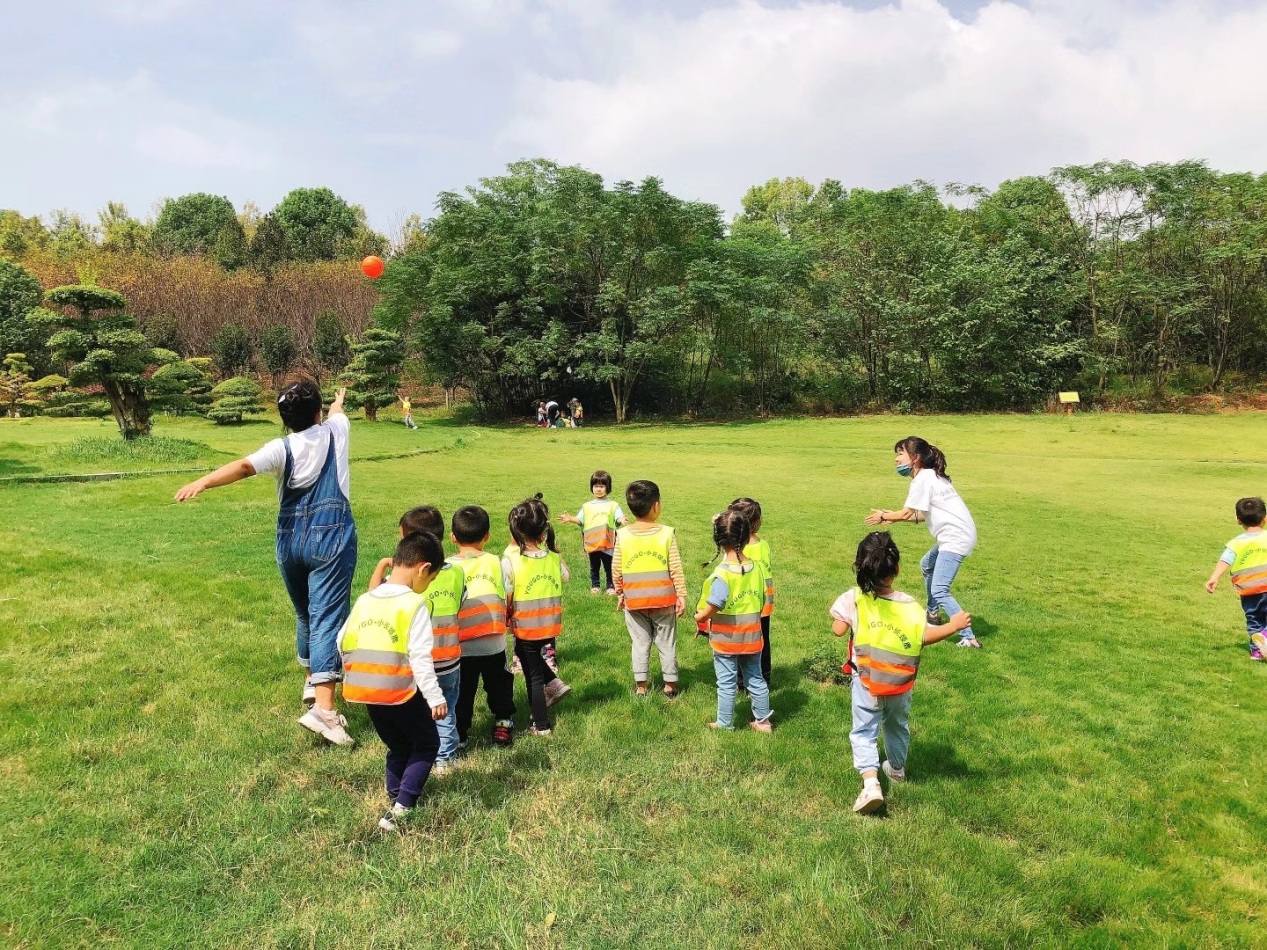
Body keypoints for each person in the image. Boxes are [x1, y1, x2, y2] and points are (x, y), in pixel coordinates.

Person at [174, 381, 357, 746]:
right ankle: (324, 710)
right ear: (319, 412)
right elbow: (338, 415)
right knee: (327, 619)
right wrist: (339, 402)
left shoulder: (281, 448)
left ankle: (311, 679)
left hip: (290, 543)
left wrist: (203, 482)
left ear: (285, 420)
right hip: (330, 540)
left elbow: (244, 466)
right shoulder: (336, 431)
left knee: (305, 615)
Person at [830, 531, 970, 815]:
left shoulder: (855, 598)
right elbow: (924, 637)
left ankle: (871, 784)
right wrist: (953, 626)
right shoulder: (909, 605)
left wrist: (843, 617)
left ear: (859, 566)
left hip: (867, 682)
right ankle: (895, 770)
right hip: (900, 684)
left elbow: (838, 629)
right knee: (896, 727)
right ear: (896, 568)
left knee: (864, 731)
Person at [339, 531, 449, 831]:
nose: (429, 585)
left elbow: (341, 640)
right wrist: (435, 697)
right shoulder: (414, 605)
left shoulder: (365, 599)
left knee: (398, 745)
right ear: (423, 568)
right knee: (427, 744)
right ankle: (402, 808)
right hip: (398, 689)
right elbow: (420, 658)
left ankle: (394, 793)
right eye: (432, 578)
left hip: (364, 688)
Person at [369, 507, 464, 772]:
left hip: (415, 663)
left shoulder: (401, 582)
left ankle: (425, 753)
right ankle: (444, 758)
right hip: (449, 656)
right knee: (445, 710)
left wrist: (382, 564)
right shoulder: (456, 573)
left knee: (420, 711)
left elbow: (372, 596)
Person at [865, 436, 981, 649]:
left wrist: (884, 516)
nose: (896, 459)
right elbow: (919, 515)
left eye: (900, 453)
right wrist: (892, 516)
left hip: (954, 538)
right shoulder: (931, 476)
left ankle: (970, 638)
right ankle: (933, 614)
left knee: (940, 589)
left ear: (915, 458)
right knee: (927, 564)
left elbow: (908, 511)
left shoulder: (923, 479)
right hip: (958, 534)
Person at [695, 510, 772, 732]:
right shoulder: (756, 568)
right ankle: (763, 722)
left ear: (718, 540)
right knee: (756, 679)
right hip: (752, 636)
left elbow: (715, 603)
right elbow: (761, 598)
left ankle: (725, 723)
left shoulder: (722, 574)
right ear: (748, 537)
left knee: (727, 683)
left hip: (726, 640)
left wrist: (700, 616)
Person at [448, 505, 517, 746]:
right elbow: (508, 593)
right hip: (493, 641)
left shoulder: (446, 567)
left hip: (460, 645)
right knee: (499, 683)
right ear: (487, 536)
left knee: (463, 691)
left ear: (452, 537)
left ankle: (461, 735)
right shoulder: (497, 562)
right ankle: (503, 722)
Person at [613, 480, 685, 698]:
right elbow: (676, 567)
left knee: (640, 643)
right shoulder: (666, 534)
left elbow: (616, 568)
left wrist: (620, 593)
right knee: (666, 643)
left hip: (635, 601)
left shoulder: (623, 535)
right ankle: (670, 685)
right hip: (664, 601)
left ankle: (641, 686)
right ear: (656, 506)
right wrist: (681, 594)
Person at [505, 496, 570, 734]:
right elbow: (566, 577)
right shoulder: (553, 558)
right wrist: (553, 551)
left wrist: (506, 616)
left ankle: (541, 725)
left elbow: (507, 593)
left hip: (527, 625)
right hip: (550, 624)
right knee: (523, 653)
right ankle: (555, 682)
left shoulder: (511, 560)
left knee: (532, 677)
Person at [1205, 496, 1267, 661]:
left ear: (1238, 520)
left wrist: (1214, 577)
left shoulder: (1236, 543)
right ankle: (1265, 635)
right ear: (1265, 518)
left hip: (1249, 590)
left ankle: (1257, 652)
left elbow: (1225, 560)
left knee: (1254, 618)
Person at [557, 470, 627, 594]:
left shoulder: (613, 505)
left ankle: (611, 586)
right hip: (592, 543)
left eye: (601, 486)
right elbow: (580, 520)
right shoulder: (587, 506)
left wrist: (621, 519)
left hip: (608, 544)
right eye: (596, 486)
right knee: (594, 566)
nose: (598, 489)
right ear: (592, 488)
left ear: (608, 487)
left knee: (609, 566)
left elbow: (618, 516)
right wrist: (570, 519)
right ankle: (595, 586)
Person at [729, 497, 774, 687]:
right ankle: (764, 677)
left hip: (745, 605)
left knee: (742, 643)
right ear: (759, 522)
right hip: (764, 604)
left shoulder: (740, 549)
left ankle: (742, 680)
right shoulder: (763, 545)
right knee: (763, 641)